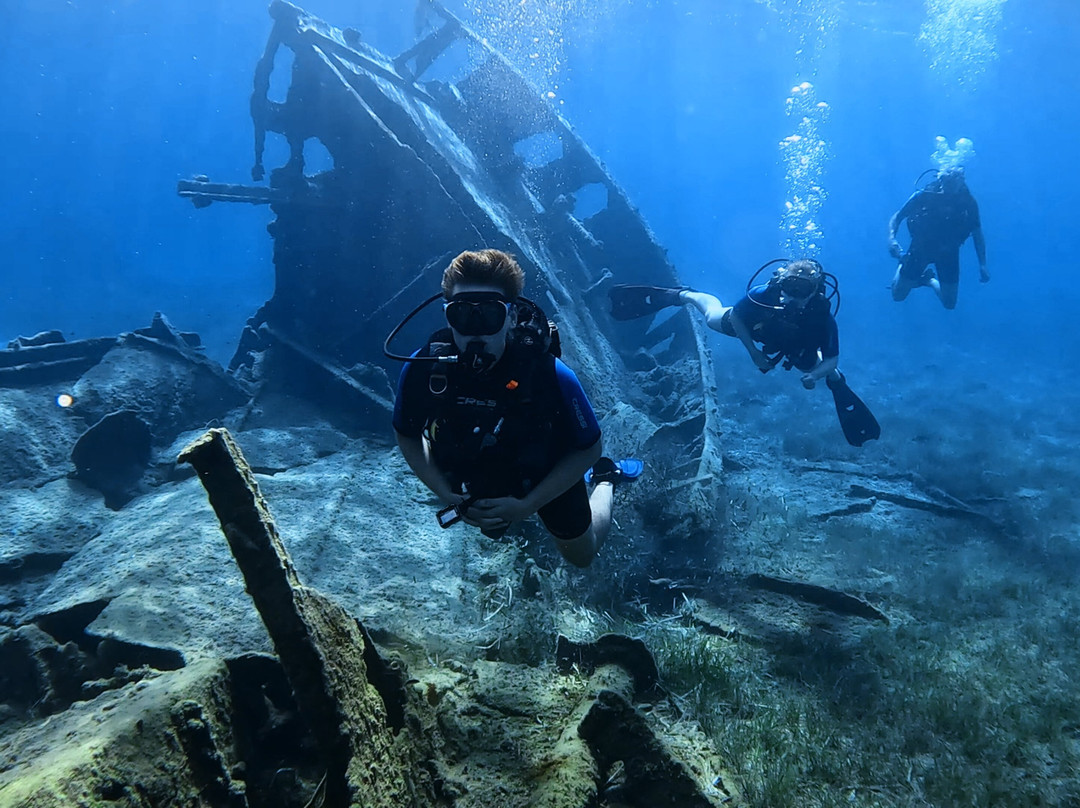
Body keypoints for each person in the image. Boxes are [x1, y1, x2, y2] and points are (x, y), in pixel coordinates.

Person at [391, 249, 641, 568]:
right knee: (495, 526)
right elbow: (407, 435)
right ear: (447, 317)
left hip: (545, 472)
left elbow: (589, 448)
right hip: (474, 466)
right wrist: (446, 494)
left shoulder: (550, 374)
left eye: (490, 315)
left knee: (582, 556)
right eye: (463, 316)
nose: (476, 330)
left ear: (511, 317)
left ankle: (606, 479)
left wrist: (527, 506)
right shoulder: (423, 370)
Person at [608, 259, 880, 447]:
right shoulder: (765, 294)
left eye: (803, 290)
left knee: (826, 369)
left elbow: (832, 357)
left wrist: (815, 376)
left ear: (815, 291)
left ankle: (837, 384)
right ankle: (686, 295)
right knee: (712, 317)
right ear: (781, 283)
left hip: (800, 346)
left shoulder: (822, 318)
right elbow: (737, 317)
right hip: (753, 328)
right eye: (789, 287)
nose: (793, 295)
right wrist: (753, 353)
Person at [887, 166, 988, 310]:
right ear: (941, 180)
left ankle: (928, 280)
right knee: (897, 296)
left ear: (961, 183)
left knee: (949, 304)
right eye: (947, 184)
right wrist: (891, 240)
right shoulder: (923, 195)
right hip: (921, 248)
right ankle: (902, 263)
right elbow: (898, 217)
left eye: (954, 185)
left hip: (949, 252)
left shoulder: (968, 203)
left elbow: (977, 234)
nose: (949, 191)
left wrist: (982, 264)